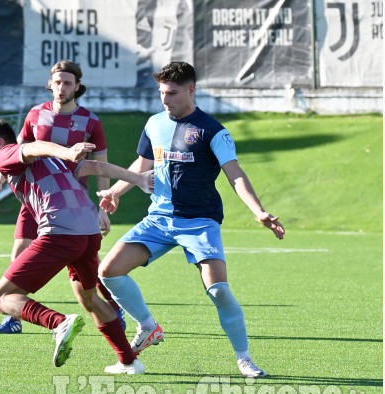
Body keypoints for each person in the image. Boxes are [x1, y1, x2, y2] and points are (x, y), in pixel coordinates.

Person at [97, 61, 285, 378]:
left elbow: (235, 174)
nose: (165, 100)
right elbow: (142, 164)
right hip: (159, 218)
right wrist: (116, 191)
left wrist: (259, 211)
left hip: (199, 222)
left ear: (191, 90)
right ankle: (147, 326)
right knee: (109, 271)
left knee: (219, 291)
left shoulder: (213, 130)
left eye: (172, 93)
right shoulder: (154, 123)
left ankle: (244, 359)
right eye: (161, 93)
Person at [0, 117, 153, 373]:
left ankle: (58, 323)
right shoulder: (49, 161)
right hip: (89, 233)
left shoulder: (6, 153)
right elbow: (94, 167)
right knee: (89, 298)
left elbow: (32, 147)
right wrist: (137, 179)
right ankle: (129, 361)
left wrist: (66, 150)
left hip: (60, 232)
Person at [0, 60, 126, 334]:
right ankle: (15, 317)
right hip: (36, 198)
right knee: (19, 252)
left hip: (71, 202)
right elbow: (17, 153)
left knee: (83, 268)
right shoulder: (36, 114)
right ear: (50, 84)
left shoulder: (91, 121)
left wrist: (103, 207)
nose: (61, 87)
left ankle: (111, 308)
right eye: (57, 82)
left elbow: (101, 163)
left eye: (68, 83)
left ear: (77, 87)